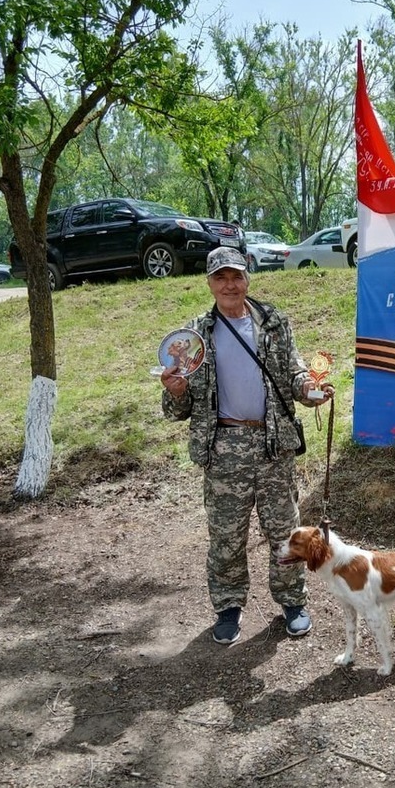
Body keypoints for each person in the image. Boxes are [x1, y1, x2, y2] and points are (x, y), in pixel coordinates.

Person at [160, 246, 334, 645]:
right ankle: (228, 607)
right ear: (209, 283)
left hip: (273, 446)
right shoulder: (192, 337)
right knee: (226, 536)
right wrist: (175, 390)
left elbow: (293, 374)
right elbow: (178, 409)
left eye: (236, 276)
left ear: (247, 278)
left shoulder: (273, 322)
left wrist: (310, 390)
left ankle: (292, 601)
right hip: (223, 450)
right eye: (220, 278)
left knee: (286, 533)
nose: (229, 285)